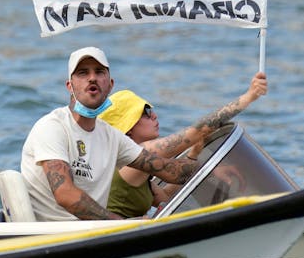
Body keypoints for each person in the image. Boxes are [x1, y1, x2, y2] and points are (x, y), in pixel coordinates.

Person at [18, 47, 251, 221]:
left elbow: (171, 172)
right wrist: (120, 225)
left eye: (99, 72)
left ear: (110, 85)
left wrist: (211, 170)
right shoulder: (52, 127)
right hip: (55, 239)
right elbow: (66, 195)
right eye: (82, 73)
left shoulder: (111, 137)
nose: (91, 78)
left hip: (94, 235)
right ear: (70, 85)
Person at [97, 77, 267, 218]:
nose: (154, 115)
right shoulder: (142, 152)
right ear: (128, 128)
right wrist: (249, 97)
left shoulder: (136, 164)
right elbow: (196, 130)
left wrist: (194, 154)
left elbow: (165, 196)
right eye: (146, 113)